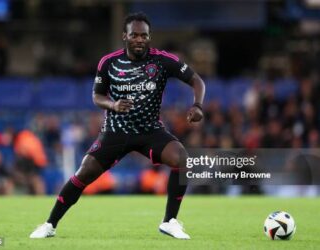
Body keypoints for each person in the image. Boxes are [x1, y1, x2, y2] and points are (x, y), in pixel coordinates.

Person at [30, 12, 205, 240]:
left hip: (149, 130)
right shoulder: (109, 62)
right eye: (135, 35)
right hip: (115, 132)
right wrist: (113, 105)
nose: (140, 39)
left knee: (181, 158)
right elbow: (97, 96)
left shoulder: (162, 60)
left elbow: (197, 80)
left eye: (144, 35)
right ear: (125, 36)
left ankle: (170, 221)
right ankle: (49, 224)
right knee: (83, 174)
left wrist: (198, 105)